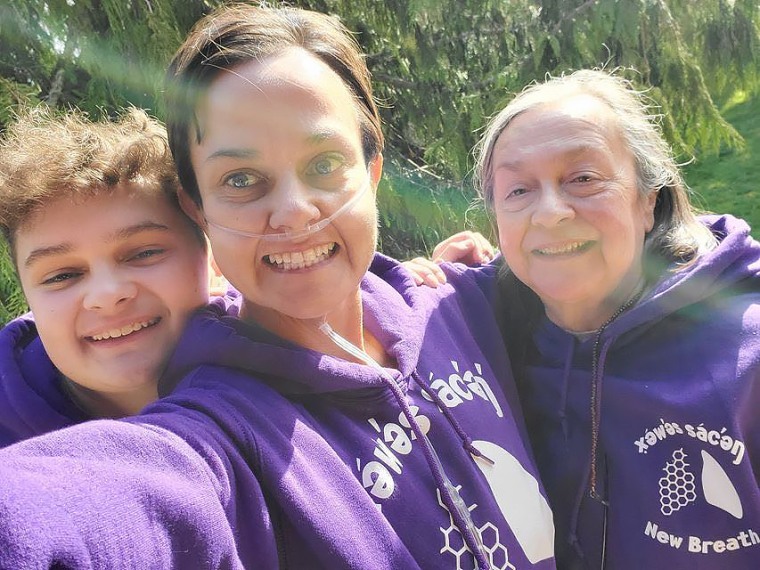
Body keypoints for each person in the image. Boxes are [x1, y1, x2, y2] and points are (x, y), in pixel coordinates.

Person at [0, 5, 556, 569]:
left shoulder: (461, 305)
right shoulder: (226, 435)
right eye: (240, 180)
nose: (292, 212)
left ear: (373, 172)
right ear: (200, 211)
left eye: (325, 163)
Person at [412, 69, 760, 569]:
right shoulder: (478, 343)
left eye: (583, 178)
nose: (550, 212)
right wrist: (412, 286)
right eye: (518, 191)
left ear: (648, 200)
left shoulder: (745, 348)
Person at [0, 106, 231, 445]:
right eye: (62, 276)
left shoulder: (292, 368)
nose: (107, 294)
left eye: (144, 253)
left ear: (212, 264)